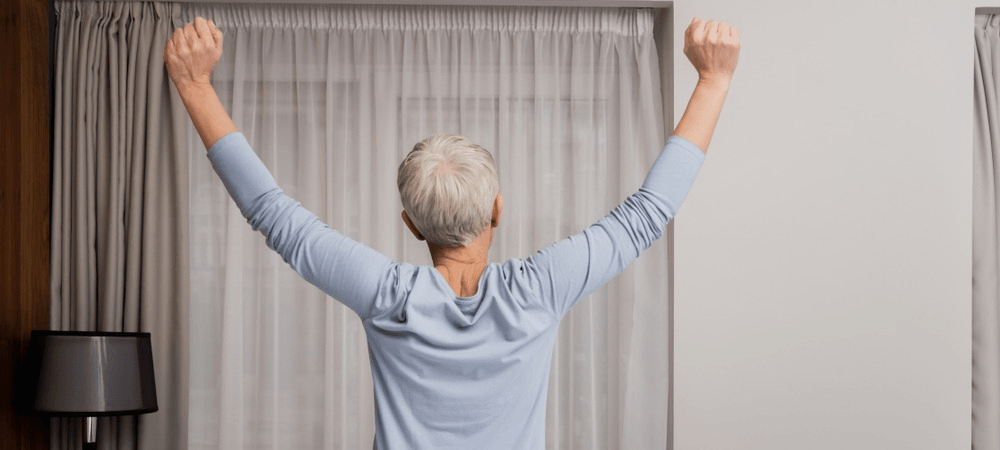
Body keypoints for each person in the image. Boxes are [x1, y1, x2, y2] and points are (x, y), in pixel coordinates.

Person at [165, 14, 739, 450]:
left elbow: (274, 215)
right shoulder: (538, 290)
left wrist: (195, 86)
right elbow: (647, 214)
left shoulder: (388, 296)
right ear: (498, 210)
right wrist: (713, 79)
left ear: (410, 225)